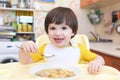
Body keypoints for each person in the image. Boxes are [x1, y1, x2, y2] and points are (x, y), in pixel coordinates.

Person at [19, 7, 105, 74]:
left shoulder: (79, 49)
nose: (58, 33)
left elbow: (99, 58)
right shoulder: (44, 49)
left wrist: (97, 62)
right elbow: (25, 62)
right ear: (47, 31)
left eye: (64, 28)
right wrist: (23, 50)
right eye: (52, 28)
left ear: (73, 31)